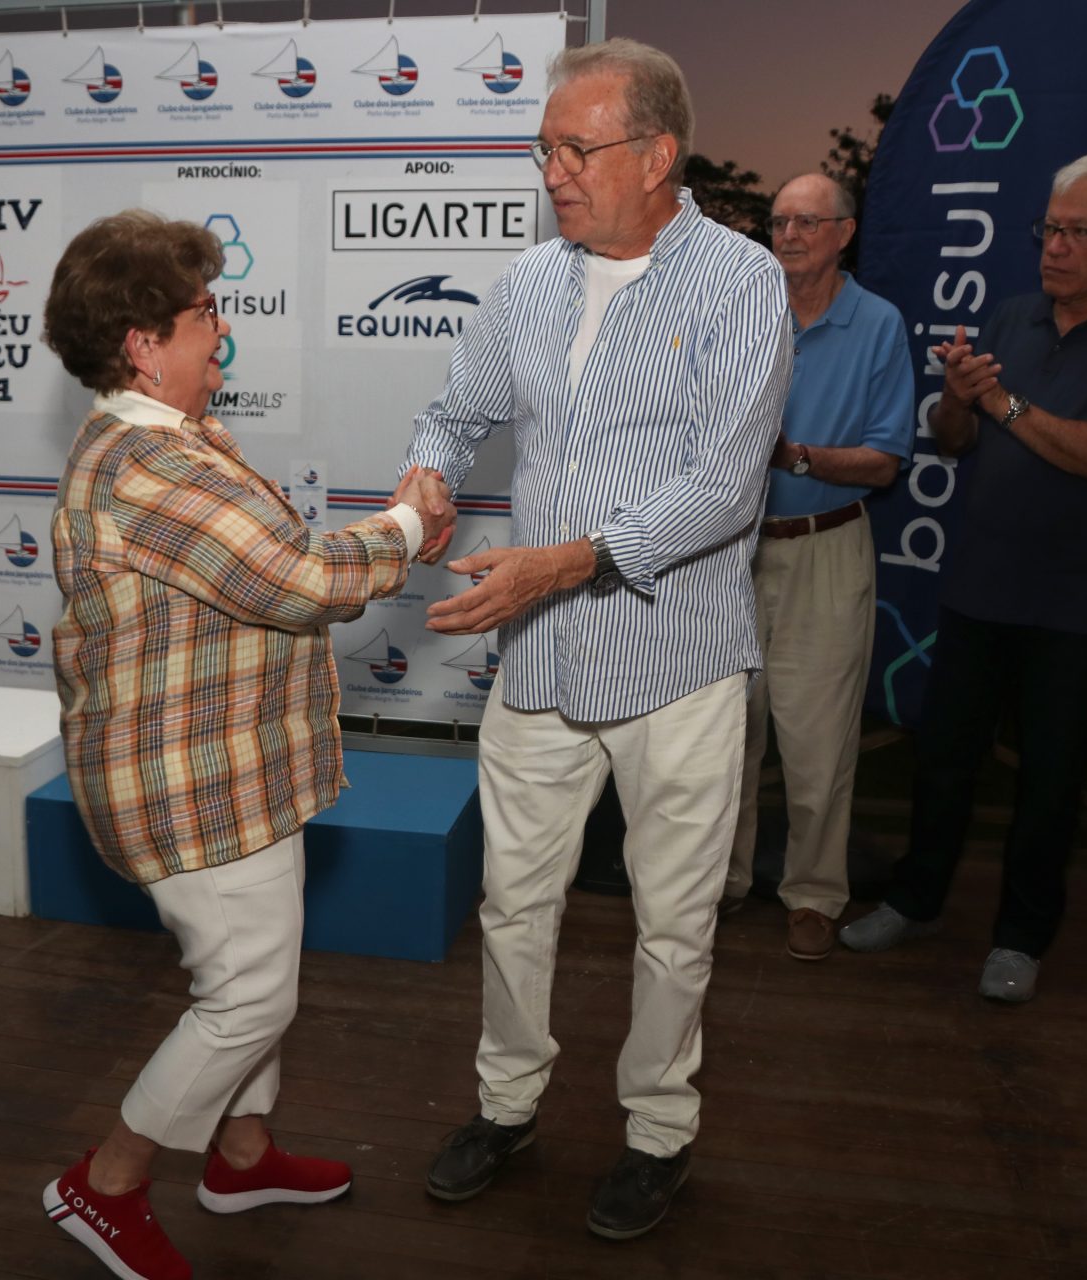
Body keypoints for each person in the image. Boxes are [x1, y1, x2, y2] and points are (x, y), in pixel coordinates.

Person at [402, 39, 791, 1240]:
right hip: (541, 661)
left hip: (678, 664)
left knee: (674, 924)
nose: (553, 172)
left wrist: (561, 562)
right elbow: (453, 412)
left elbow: (725, 487)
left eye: (577, 149)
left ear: (658, 155)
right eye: (545, 150)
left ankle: (658, 1130)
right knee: (513, 904)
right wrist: (427, 477)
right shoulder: (525, 284)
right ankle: (506, 1106)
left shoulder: (740, 282)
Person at [37, 210, 454, 1280]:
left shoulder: (168, 439)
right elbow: (298, 579)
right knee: (249, 997)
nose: (222, 328)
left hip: (232, 767)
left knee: (255, 970)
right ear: (144, 344)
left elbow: (265, 568)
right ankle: (109, 1181)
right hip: (191, 785)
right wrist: (408, 525)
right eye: (204, 312)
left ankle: (242, 1155)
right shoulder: (147, 465)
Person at [840, 154, 1087, 1002]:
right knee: (944, 761)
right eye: (1050, 229)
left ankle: (1021, 938)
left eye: (1079, 232)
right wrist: (959, 399)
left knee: (1051, 780)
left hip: (1073, 603)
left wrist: (1003, 405)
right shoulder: (1010, 315)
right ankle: (916, 901)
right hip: (978, 587)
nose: (1055, 247)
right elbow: (954, 440)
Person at [721, 173, 914, 962]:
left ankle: (812, 895)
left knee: (818, 740)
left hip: (826, 545)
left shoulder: (878, 324)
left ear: (845, 233)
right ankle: (720, 881)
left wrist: (796, 456)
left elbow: (886, 461)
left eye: (807, 222)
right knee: (724, 731)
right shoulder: (741, 309)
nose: (789, 235)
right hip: (726, 550)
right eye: (779, 222)